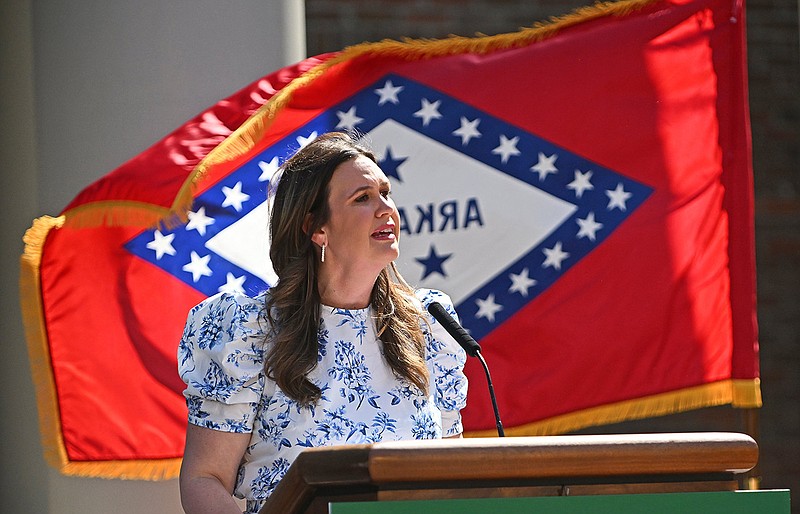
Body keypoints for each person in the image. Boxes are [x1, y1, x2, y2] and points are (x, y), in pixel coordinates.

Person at [177, 132, 468, 514]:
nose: (387, 209)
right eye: (362, 198)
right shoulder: (249, 331)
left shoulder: (429, 326)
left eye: (386, 193)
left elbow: (455, 475)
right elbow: (205, 479)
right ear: (316, 228)